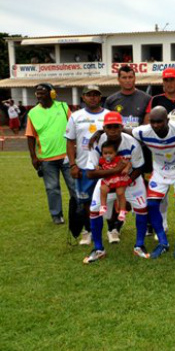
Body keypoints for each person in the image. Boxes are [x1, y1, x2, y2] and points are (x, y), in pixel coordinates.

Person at [132, 106, 175, 259]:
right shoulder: (143, 131)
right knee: (151, 205)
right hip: (161, 173)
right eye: (152, 122)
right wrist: (100, 132)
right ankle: (163, 242)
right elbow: (124, 131)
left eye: (159, 122)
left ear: (167, 120)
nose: (155, 125)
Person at [84, 112, 149, 263]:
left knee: (142, 208)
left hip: (130, 179)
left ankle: (139, 245)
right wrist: (114, 173)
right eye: (109, 127)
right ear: (104, 128)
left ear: (121, 127)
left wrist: (124, 182)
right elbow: (90, 173)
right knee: (94, 211)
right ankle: (98, 248)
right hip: (107, 181)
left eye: (116, 126)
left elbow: (140, 167)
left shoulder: (132, 142)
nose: (113, 130)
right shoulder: (97, 143)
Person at [103, 65, 152, 243]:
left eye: (130, 77)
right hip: (117, 155)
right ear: (118, 79)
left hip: (140, 152)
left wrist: (130, 133)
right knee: (116, 188)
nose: (127, 80)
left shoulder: (146, 98)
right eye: (124, 77)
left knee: (144, 188)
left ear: (135, 78)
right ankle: (114, 227)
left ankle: (147, 224)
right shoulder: (111, 100)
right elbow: (108, 127)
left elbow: (146, 128)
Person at [26, 83, 76, 225]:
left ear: (52, 94)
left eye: (43, 92)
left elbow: (73, 126)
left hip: (67, 156)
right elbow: (30, 136)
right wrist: (33, 157)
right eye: (37, 93)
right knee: (52, 188)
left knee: (73, 186)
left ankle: (78, 212)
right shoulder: (33, 113)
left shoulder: (63, 107)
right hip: (46, 158)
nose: (39, 96)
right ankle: (56, 215)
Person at [64, 85, 108, 245]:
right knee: (86, 202)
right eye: (89, 95)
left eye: (96, 95)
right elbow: (70, 142)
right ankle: (88, 230)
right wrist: (72, 165)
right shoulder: (76, 117)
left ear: (100, 97)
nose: (93, 98)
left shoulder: (109, 115)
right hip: (83, 167)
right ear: (83, 97)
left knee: (110, 200)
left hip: (106, 167)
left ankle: (113, 230)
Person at [97, 141, 131, 221]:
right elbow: (100, 167)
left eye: (110, 153)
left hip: (119, 179)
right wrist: (99, 168)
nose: (108, 155)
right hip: (108, 179)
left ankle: (122, 210)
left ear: (115, 153)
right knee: (102, 189)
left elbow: (129, 163)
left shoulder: (119, 159)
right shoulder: (102, 160)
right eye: (105, 153)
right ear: (102, 153)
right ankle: (103, 205)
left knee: (120, 193)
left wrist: (126, 169)